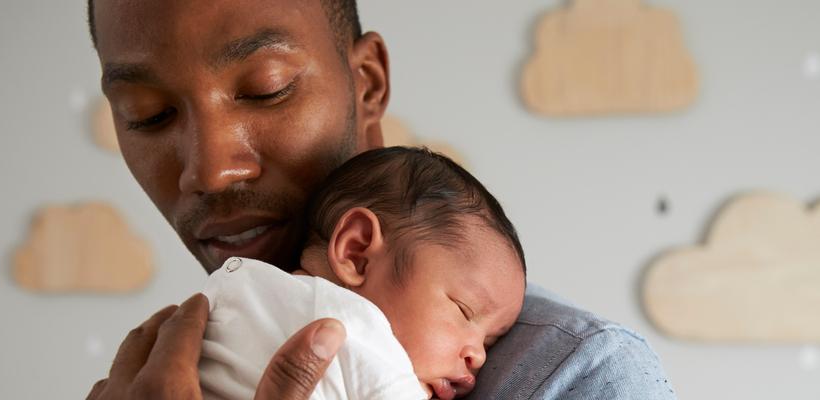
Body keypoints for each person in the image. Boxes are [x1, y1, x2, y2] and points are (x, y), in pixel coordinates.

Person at [85, 1, 677, 399]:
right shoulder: (161, 371)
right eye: (148, 115)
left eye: (267, 89)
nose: (212, 172)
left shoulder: (579, 376)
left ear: (366, 82)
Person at [199, 147, 526, 400]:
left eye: (490, 341)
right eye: (464, 309)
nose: (478, 356)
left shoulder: (235, 291)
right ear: (357, 253)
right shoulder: (363, 339)